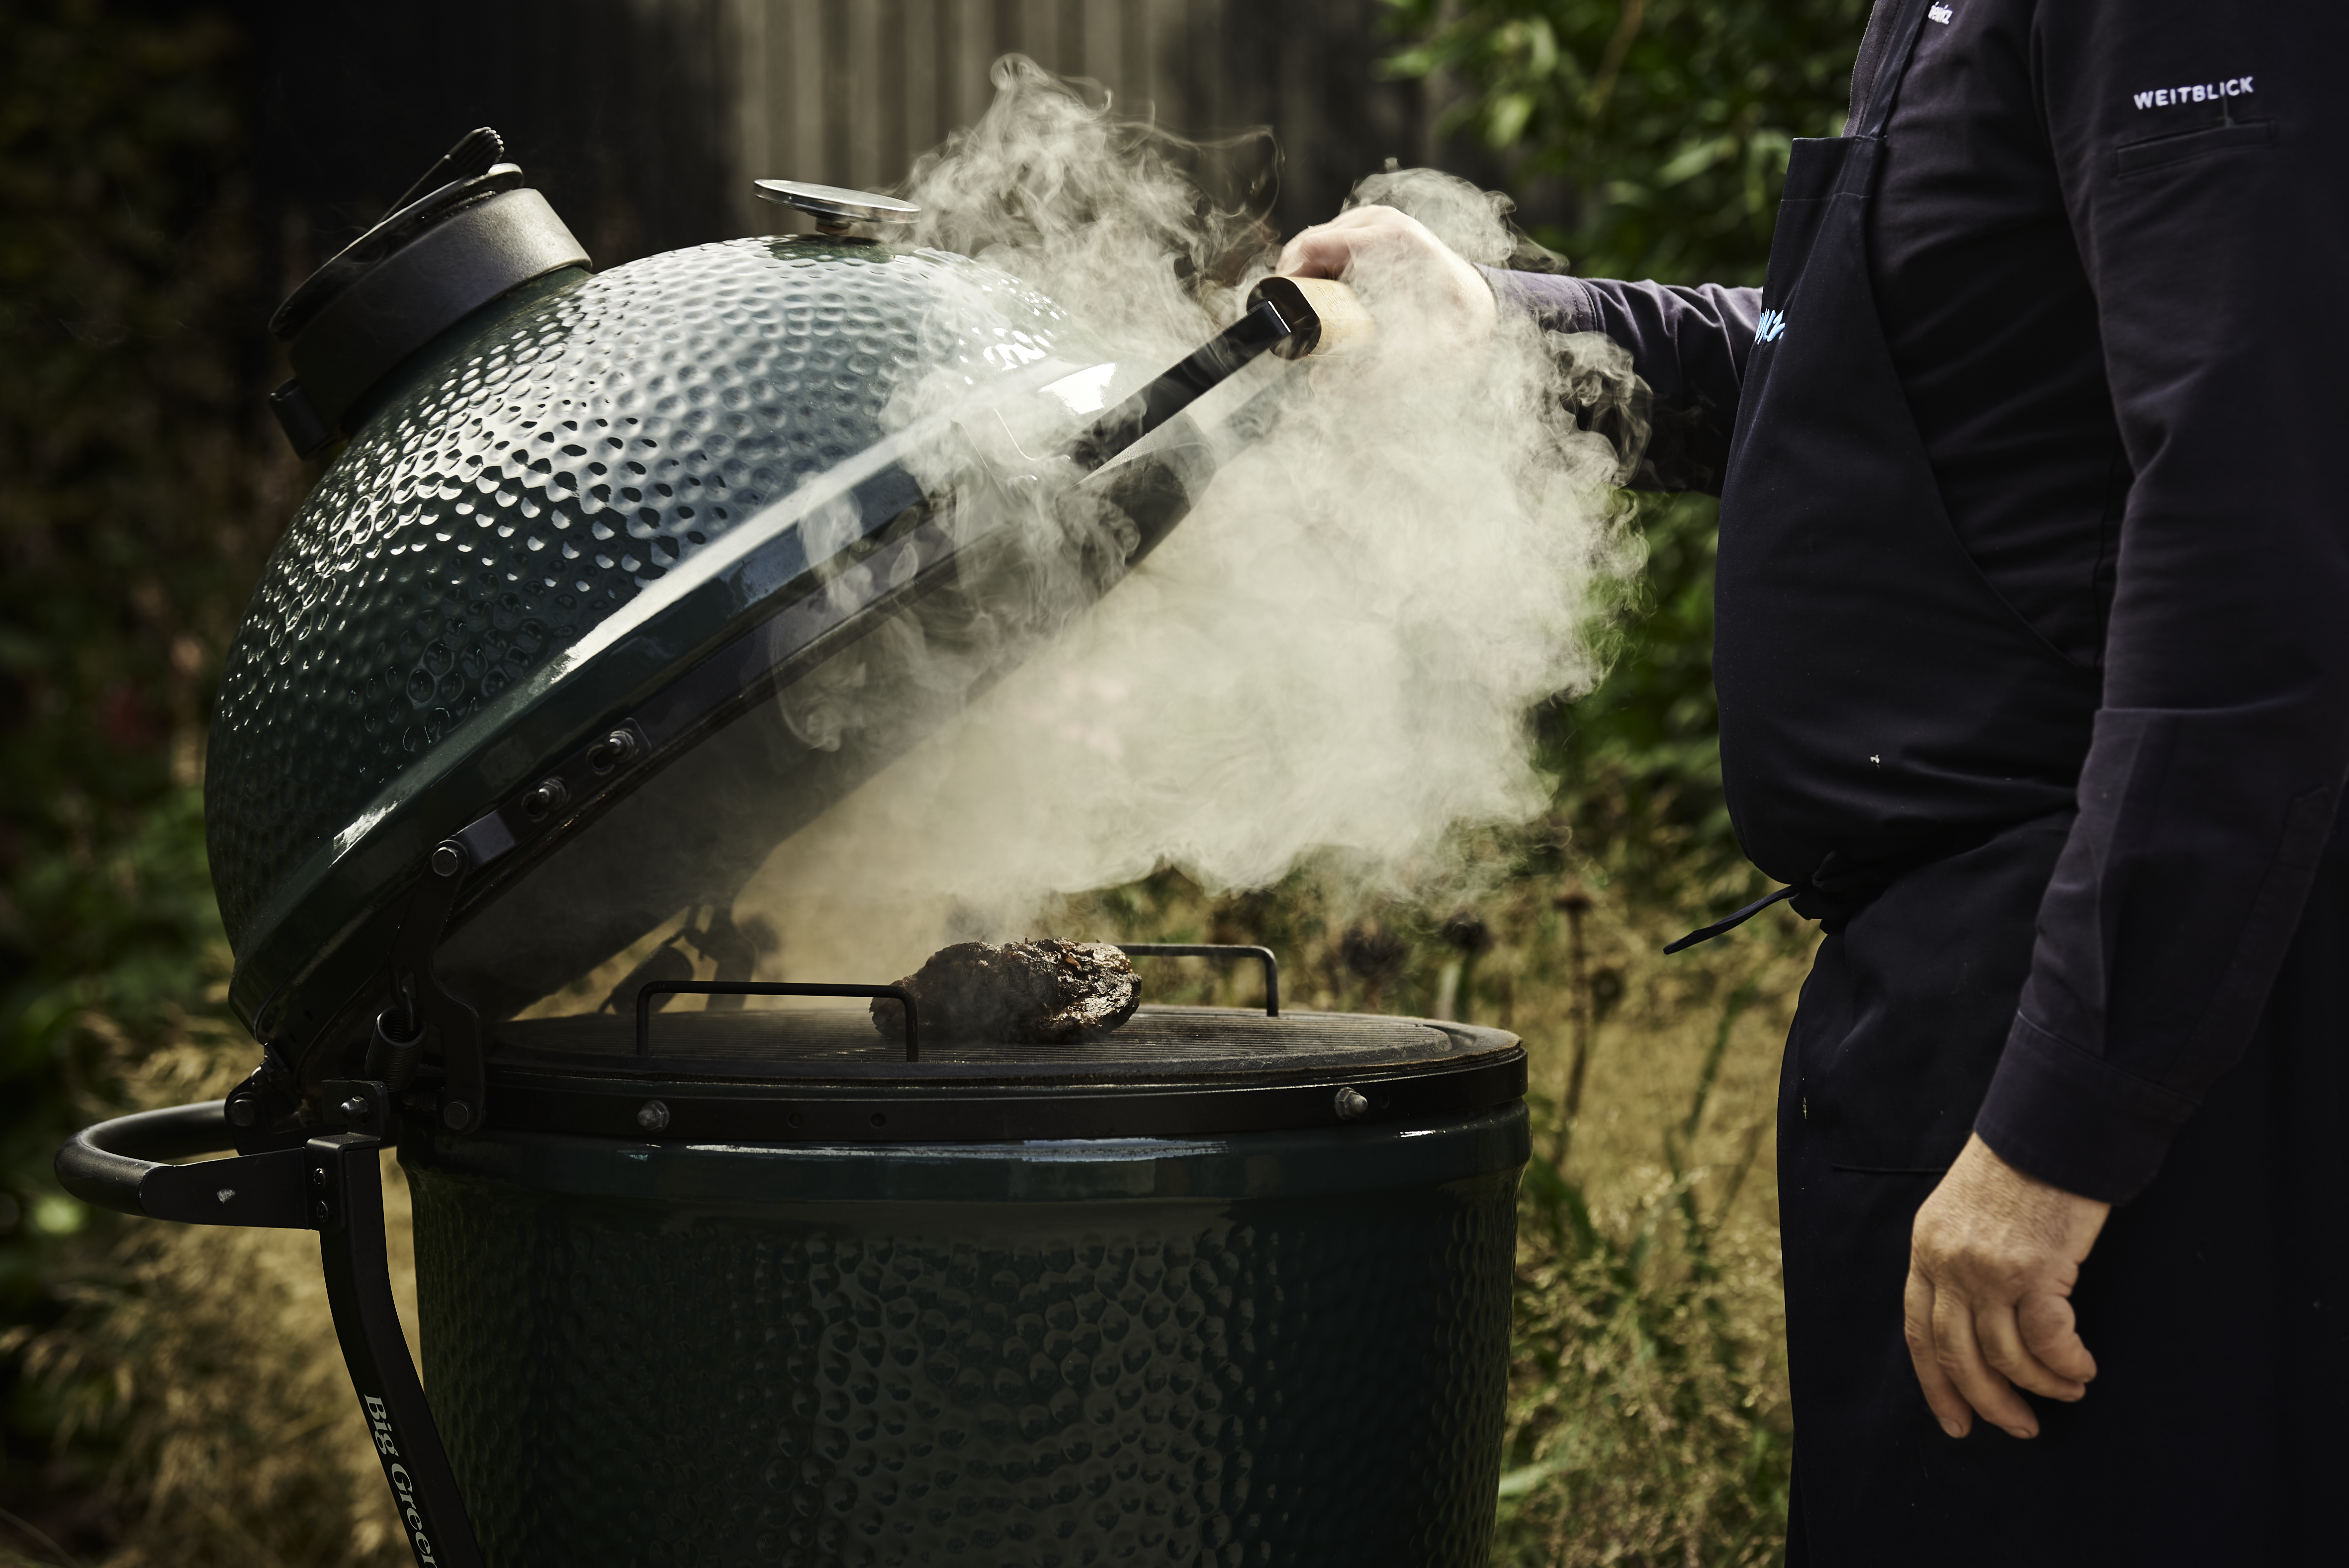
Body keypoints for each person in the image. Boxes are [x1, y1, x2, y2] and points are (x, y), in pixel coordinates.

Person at [1278, 0, 2348, 1561]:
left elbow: (2253, 557)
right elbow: (1893, 369)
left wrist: (2060, 1131)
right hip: (1955, 987)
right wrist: (1498, 328)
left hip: (2100, 997)